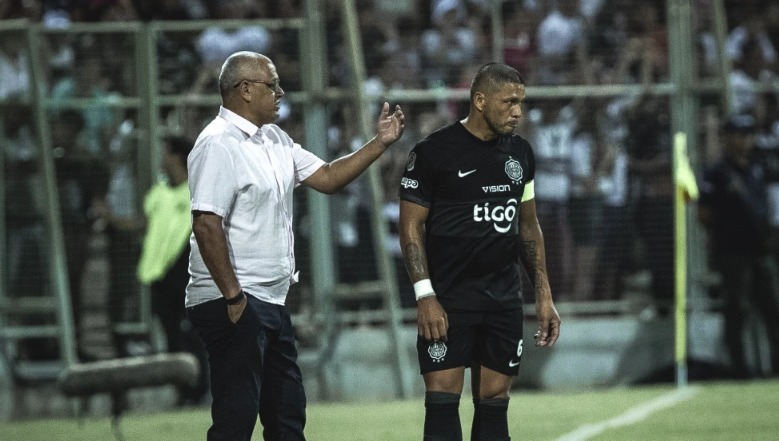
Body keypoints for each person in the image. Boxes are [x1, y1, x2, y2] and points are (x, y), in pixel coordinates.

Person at [184, 51, 405, 441]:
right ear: (245, 90)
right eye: (272, 85)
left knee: (287, 416)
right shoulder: (217, 143)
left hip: (269, 299)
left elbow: (329, 177)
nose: (281, 92)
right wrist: (234, 298)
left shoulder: (275, 139)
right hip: (233, 300)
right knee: (236, 419)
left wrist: (379, 143)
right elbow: (205, 223)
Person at [398, 62, 561, 441]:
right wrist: (425, 296)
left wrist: (543, 294)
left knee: (494, 399)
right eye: (509, 102)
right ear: (480, 100)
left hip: (502, 299)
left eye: (521, 102)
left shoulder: (520, 154)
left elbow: (527, 226)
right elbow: (410, 228)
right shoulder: (434, 152)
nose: (518, 112)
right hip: (447, 300)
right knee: (442, 398)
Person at [93, 135, 209, 405]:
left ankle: (200, 387)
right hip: (161, 274)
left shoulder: (199, 189)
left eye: (165, 152)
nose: (160, 158)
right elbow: (144, 224)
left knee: (192, 331)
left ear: (177, 156)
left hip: (190, 269)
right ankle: (183, 390)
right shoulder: (159, 192)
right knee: (171, 332)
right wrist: (111, 219)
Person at [698, 114, 779, 378]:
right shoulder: (717, 172)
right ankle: (739, 369)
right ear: (727, 137)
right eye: (739, 134)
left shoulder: (759, 167)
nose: (745, 140)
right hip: (732, 251)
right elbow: (703, 213)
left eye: (748, 134)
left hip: (760, 248)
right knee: (736, 310)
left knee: (771, 308)